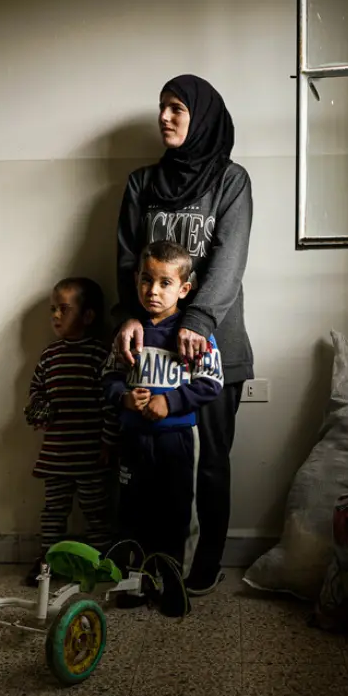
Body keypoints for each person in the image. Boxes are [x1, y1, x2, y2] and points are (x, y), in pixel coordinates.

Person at [112, 75, 253, 595]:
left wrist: (196, 321)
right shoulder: (141, 184)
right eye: (162, 108)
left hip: (213, 346)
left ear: (202, 117)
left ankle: (202, 566)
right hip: (149, 348)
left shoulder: (231, 181)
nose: (166, 118)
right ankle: (146, 565)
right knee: (146, 464)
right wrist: (128, 313)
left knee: (209, 463)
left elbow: (229, 261)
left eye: (177, 109)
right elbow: (129, 258)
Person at [102, 241, 224, 616]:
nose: (152, 291)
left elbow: (212, 381)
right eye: (145, 280)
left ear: (184, 289)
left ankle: (175, 584)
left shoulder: (193, 335)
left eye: (165, 283)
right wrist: (124, 397)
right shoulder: (129, 334)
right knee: (132, 513)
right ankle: (134, 583)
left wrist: (169, 402)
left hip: (178, 440)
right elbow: (108, 377)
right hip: (134, 440)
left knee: (177, 514)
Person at [23, 277, 118, 586]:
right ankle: (48, 562)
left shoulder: (99, 355)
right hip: (56, 455)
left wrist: (107, 443)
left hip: (91, 454)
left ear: (88, 316)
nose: (55, 316)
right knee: (53, 511)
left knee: (96, 512)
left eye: (64, 309)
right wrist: (39, 412)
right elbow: (36, 392)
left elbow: (109, 403)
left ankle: (101, 562)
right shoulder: (49, 356)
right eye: (53, 310)